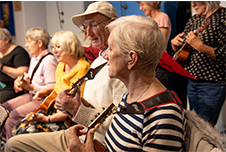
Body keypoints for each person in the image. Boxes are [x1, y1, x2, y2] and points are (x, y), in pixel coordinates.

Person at [4, 1, 126, 151]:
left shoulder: (122, 68)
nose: (88, 33)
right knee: (13, 143)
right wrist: (72, 108)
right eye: (84, 27)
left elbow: (119, 127)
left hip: (94, 141)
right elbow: (88, 106)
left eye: (93, 24)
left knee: (16, 136)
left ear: (112, 25)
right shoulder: (97, 62)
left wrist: (74, 111)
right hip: (78, 131)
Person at [67, 15, 185, 152]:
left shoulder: (163, 115)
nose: (105, 56)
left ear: (131, 59)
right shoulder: (129, 97)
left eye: (110, 49)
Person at [171, 1, 225, 126]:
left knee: (205, 128)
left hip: (211, 83)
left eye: (196, 1)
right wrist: (175, 45)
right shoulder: (195, 19)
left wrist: (200, 46)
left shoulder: (223, 17)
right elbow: (184, 48)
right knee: (194, 124)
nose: (192, 4)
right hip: (192, 81)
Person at [1, 27, 58, 140]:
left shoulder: (49, 60)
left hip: (42, 99)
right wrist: (18, 82)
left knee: (13, 116)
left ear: (40, 43)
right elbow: (28, 77)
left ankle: (11, 145)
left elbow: (52, 88)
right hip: (31, 95)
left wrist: (31, 87)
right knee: (3, 109)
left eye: (29, 41)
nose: (26, 45)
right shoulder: (34, 58)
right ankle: (3, 139)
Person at [137, 1, 172, 87]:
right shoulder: (148, 20)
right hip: (148, 63)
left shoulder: (163, 17)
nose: (140, 8)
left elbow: (160, 43)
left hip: (158, 64)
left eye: (142, 4)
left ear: (151, 3)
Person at [0, 28, 30, 104]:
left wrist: (2, 67)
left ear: (6, 40)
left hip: (11, 88)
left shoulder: (19, 52)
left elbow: (22, 74)